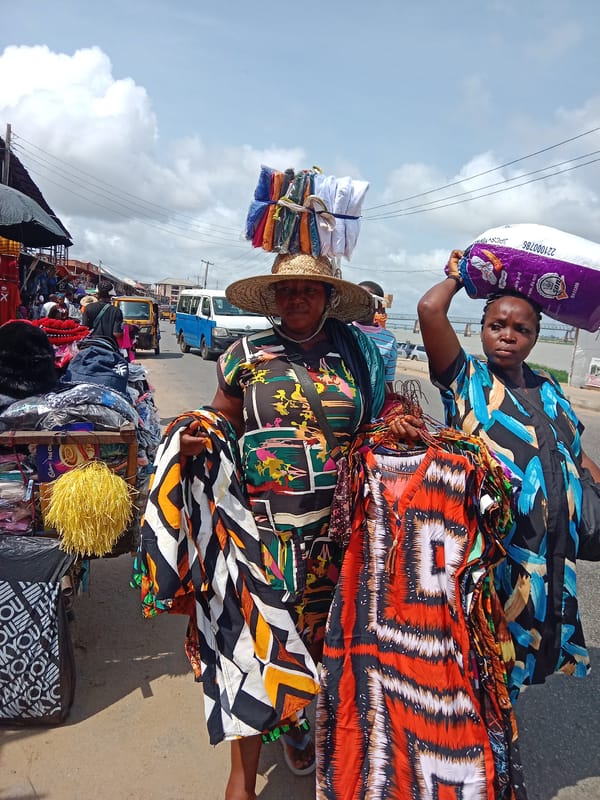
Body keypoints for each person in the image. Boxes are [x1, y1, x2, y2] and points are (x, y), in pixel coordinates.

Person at [178, 252, 420, 800]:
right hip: (262, 531)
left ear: (328, 297)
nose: (296, 299)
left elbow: (378, 418)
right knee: (256, 645)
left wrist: (398, 426)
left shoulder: (358, 355)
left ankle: (319, 734)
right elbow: (222, 417)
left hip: (343, 529)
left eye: (308, 290)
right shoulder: (243, 355)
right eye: (285, 290)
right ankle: (242, 779)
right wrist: (197, 435)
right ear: (272, 298)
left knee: (330, 644)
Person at [417, 248, 600, 701]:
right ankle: (477, 749)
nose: (507, 336)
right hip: (492, 551)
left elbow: (574, 453)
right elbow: (428, 309)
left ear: (536, 337)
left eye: (522, 329)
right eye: (496, 325)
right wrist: (463, 275)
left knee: (524, 645)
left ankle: (496, 735)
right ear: (479, 330)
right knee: (483, 646)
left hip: (547, 549)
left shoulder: (549, 388)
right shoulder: (466, 380)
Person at [352, 280, 399, 391]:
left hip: (374, 403)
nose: (361, 304)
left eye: (367, 299)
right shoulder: (343, 330)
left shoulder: (389, 340)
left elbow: (387, 381)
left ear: (378, 306)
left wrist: (394, 404)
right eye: (357, 298)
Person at [81, 281, 123, 346]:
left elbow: (84, 329)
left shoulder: (88, 307)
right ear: (111, 295)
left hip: (91, 344)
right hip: (109, 345)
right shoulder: (116, 311)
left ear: (97, 293)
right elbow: (117, 334)